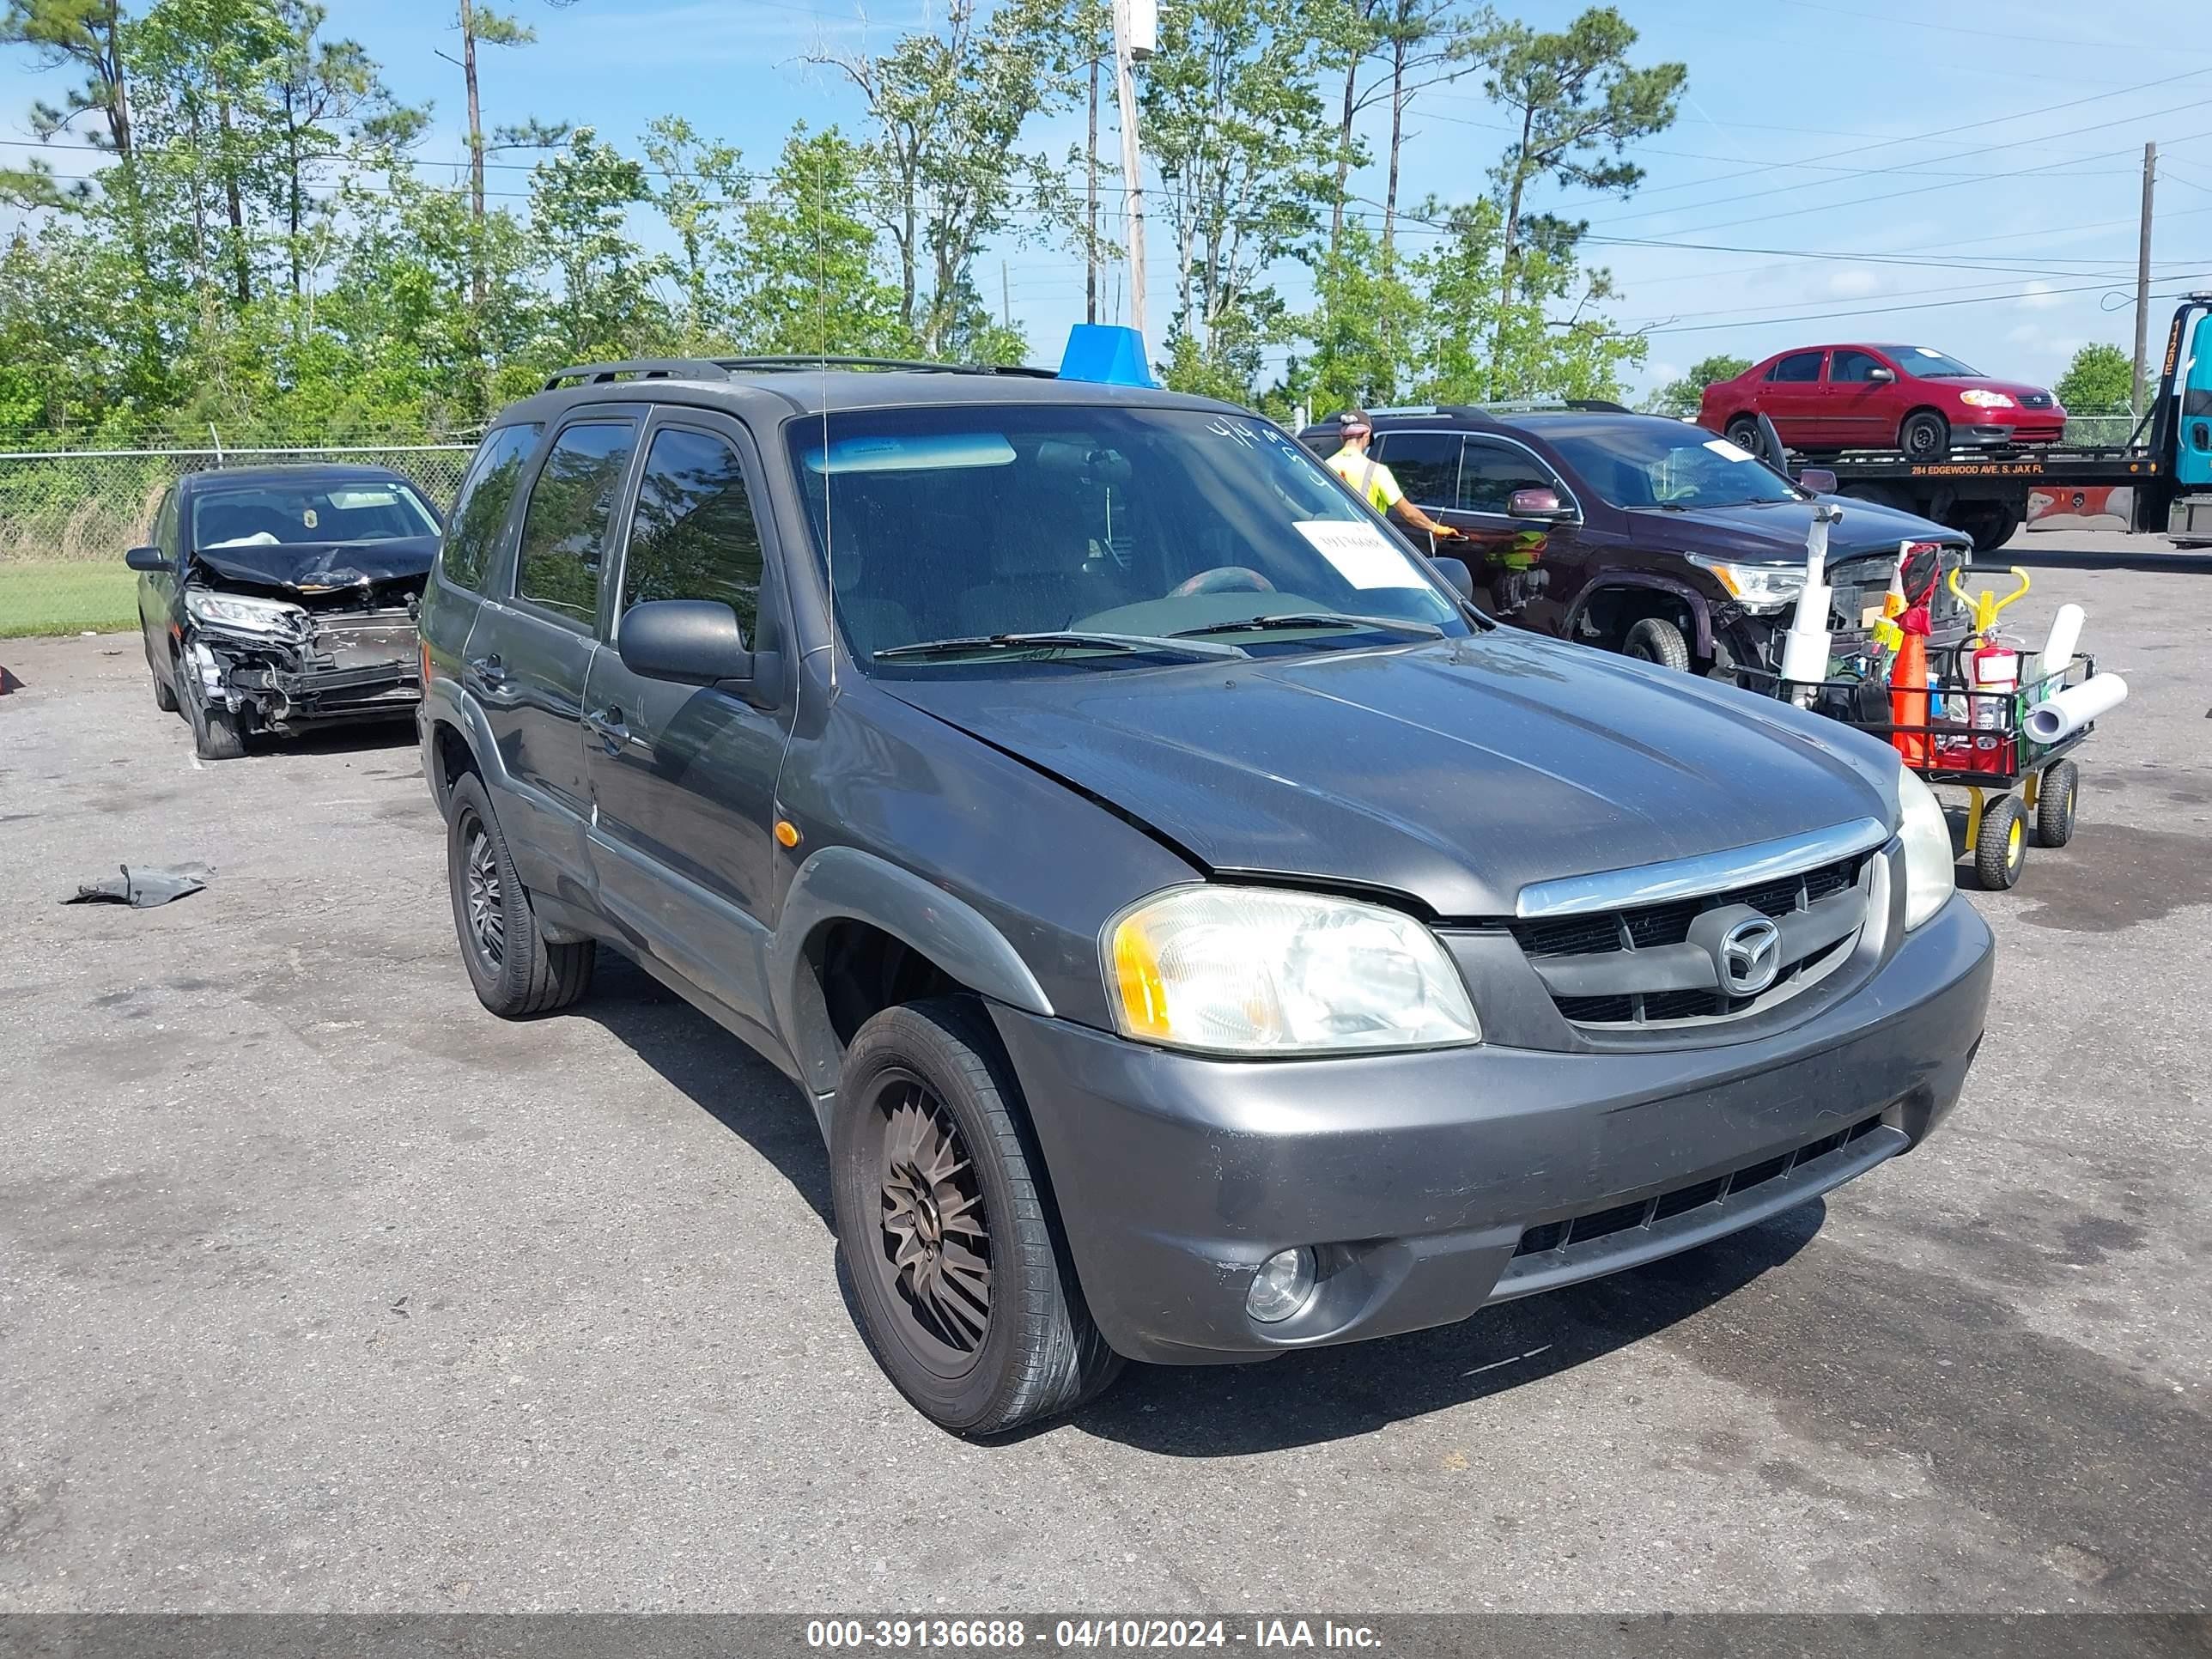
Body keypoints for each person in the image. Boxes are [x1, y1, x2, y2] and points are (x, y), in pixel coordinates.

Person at [1323, 410, 1462, 543]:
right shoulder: (1376, 471)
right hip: (1365, 545)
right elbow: (1408, 512)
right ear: (1367, 435)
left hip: (1329, 544)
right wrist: (1435, 528)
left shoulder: (1323, 467)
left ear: (1341, 437)